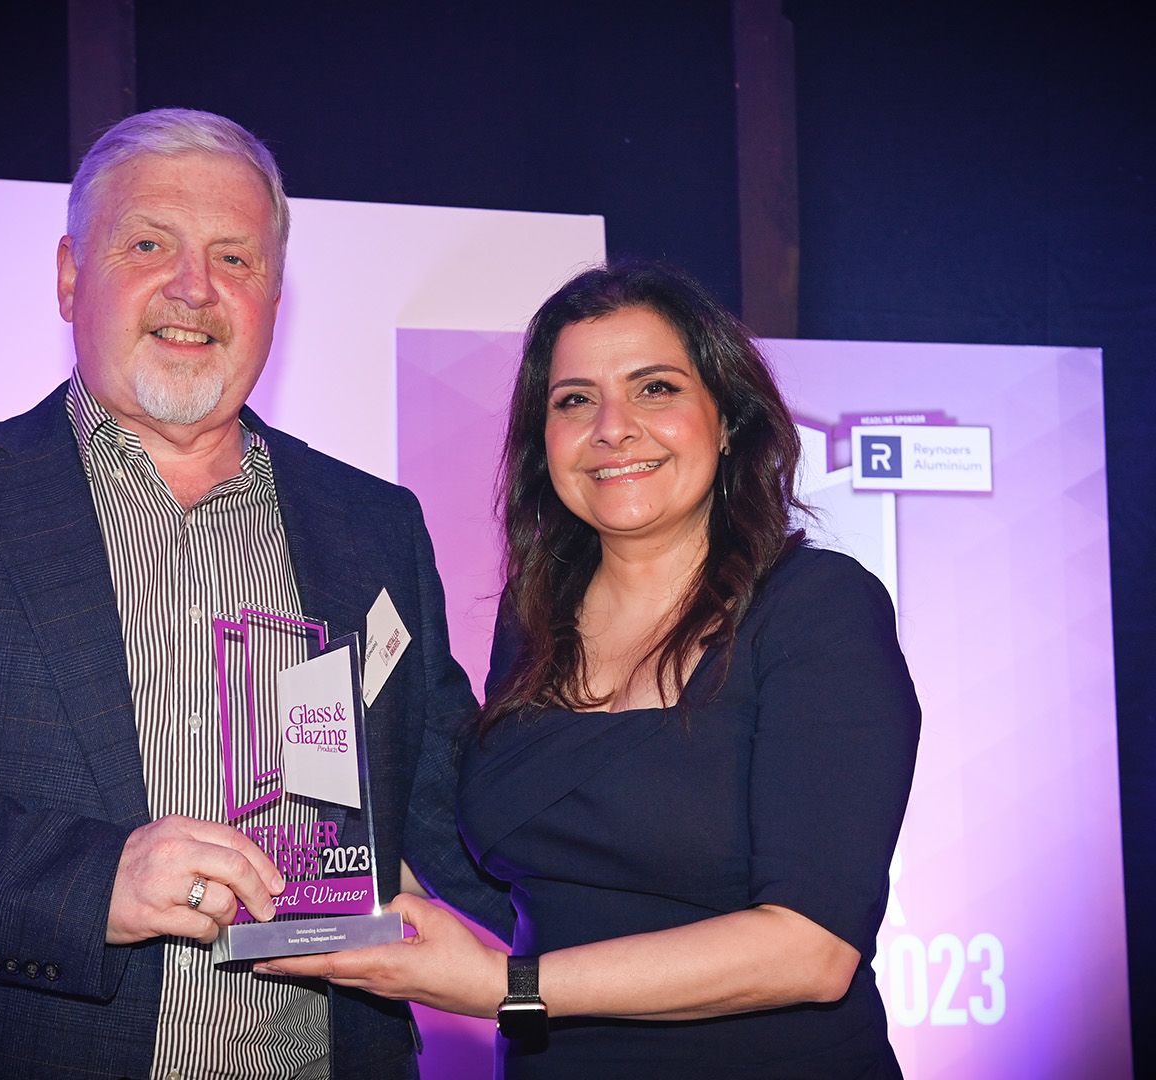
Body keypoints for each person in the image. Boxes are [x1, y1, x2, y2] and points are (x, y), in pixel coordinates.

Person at [0, 108, 511, 1080]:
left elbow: (469, 817)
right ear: (69, 275)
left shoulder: (374, 525)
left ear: (274, 296)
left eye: (237, 258)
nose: (196, 289)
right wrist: (97, 882)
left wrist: (631, 961)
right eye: (150, 244)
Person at [261, 262, 921, 1078]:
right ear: (546, 443)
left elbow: (811, 951)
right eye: (574, 400)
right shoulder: (532, 621)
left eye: (656, 389)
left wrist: (510, 987)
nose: (613, 427)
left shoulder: (818, 608)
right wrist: (318, 857)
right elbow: (516, 873)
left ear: (726, 421)